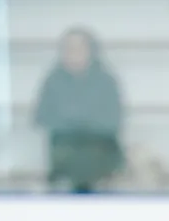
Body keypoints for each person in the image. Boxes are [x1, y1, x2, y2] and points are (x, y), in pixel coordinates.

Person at [32, 27, 124, 193]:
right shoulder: (53, 81)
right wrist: (79, 121)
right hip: (63, 158)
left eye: (79, 48)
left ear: (91, 51)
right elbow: (42, 118)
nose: (73, 53)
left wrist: (75, 121)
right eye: (68, 49)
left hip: (101, 157)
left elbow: (112, 121)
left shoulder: (106, 81)